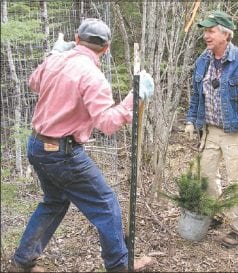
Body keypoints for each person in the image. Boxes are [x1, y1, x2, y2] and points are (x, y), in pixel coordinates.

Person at [9, 18, 154, 272]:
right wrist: (134, 96)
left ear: (76, 39)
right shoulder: (93, 76)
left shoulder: (56, 61)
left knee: (54, 201)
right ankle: (120, 266)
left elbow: (33, 82)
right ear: (106, 48)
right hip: (62, 154)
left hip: (37, 146)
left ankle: (22, 262)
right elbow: (107, 124)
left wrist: (53, 55)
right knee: (106, 205)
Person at [185, 11, 238, 248]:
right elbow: (195, 96)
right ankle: (216, 213)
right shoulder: (203, 60)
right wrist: (192, 120)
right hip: (210, 131)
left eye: (211, 31)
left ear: (225, 34)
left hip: (236, 133)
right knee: (207, 176)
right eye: (205, 31)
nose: (206, 36)